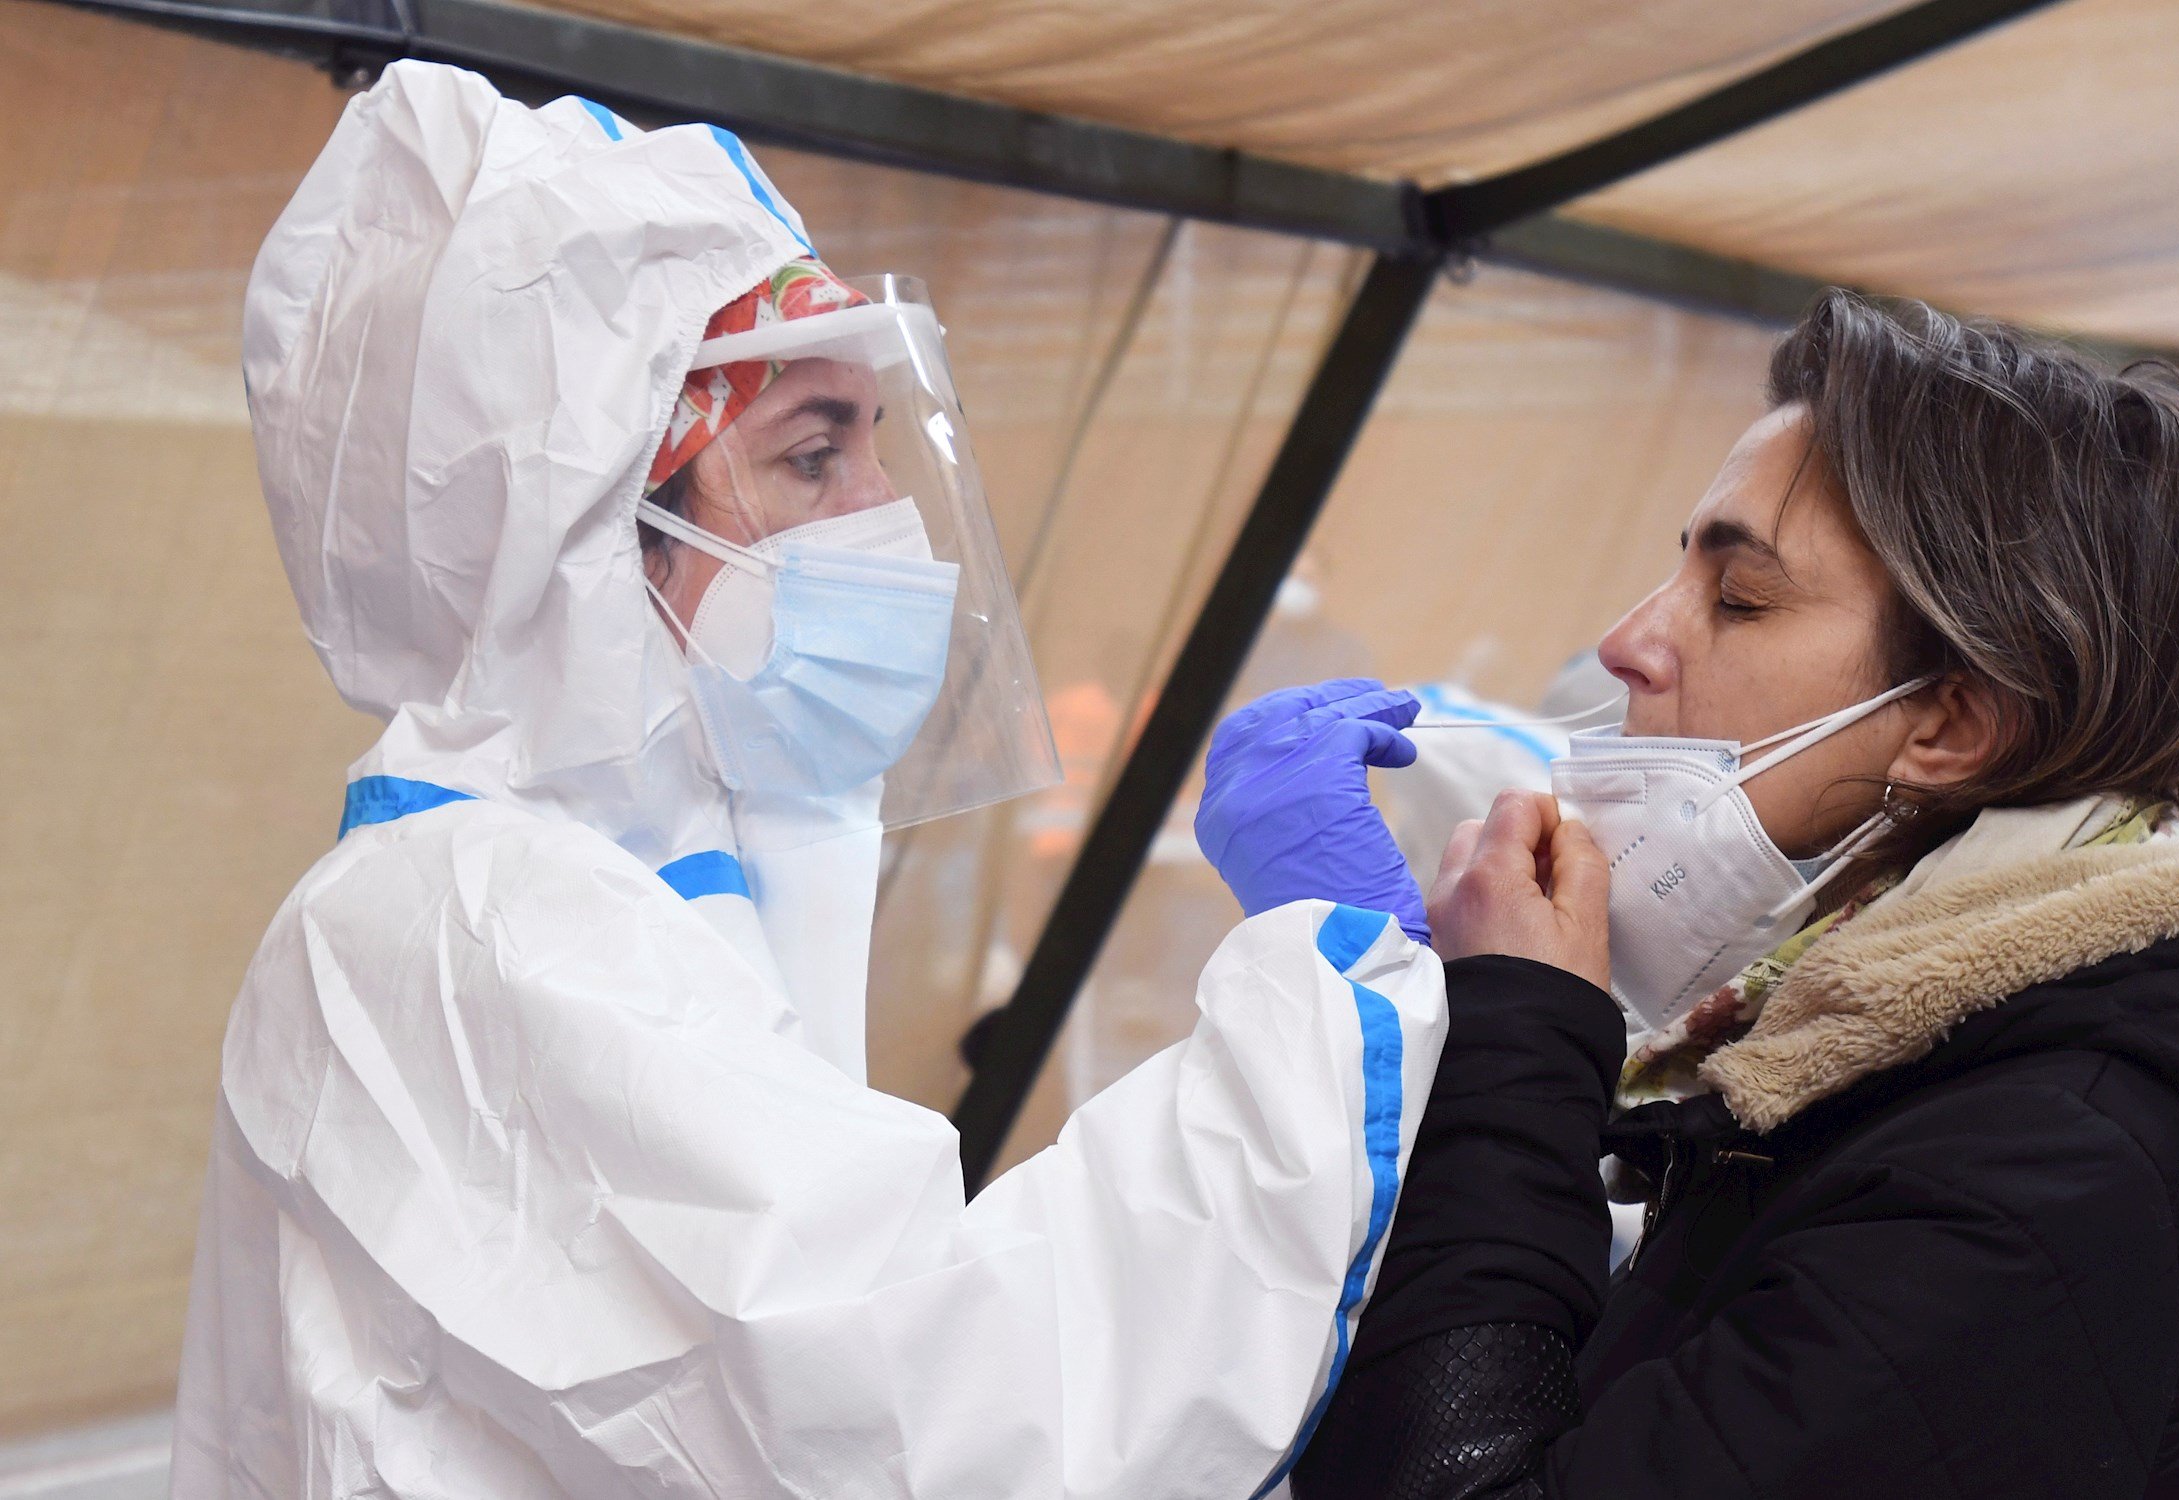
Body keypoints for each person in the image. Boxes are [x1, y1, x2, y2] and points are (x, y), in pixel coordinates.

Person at [172, 61, 1458, 1499]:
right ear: (593, 532)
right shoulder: (481, 925)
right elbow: (924, 1414)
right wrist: (1328, 1000)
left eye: (875, 441)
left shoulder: (632, 881)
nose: (881, 515)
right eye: (808, 453)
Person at [1204, 291, 2179, 1497]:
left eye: (1740, 600)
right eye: (1675, 572)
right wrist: (1424, 1025)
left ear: (1955, 723)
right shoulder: (1894, 1023)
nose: (1627, 643)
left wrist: (1516, 1044)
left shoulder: (2043, 1172)